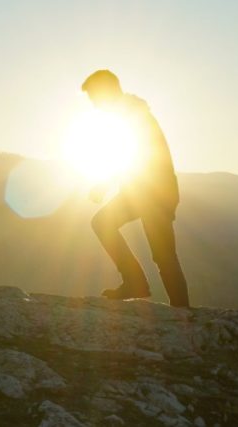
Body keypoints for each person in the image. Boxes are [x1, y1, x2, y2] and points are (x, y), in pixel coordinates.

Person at [82, 69, 190, 308]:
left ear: (106, 92)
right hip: (142, 192)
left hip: (155, 194)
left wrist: (105, 184)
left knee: (163, 255)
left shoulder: (132, 116)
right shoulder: (129, 114)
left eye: (95, 98)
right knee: (103, 224)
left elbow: (136, 155)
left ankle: (179, 310)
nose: (94, 105)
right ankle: (137, 284)